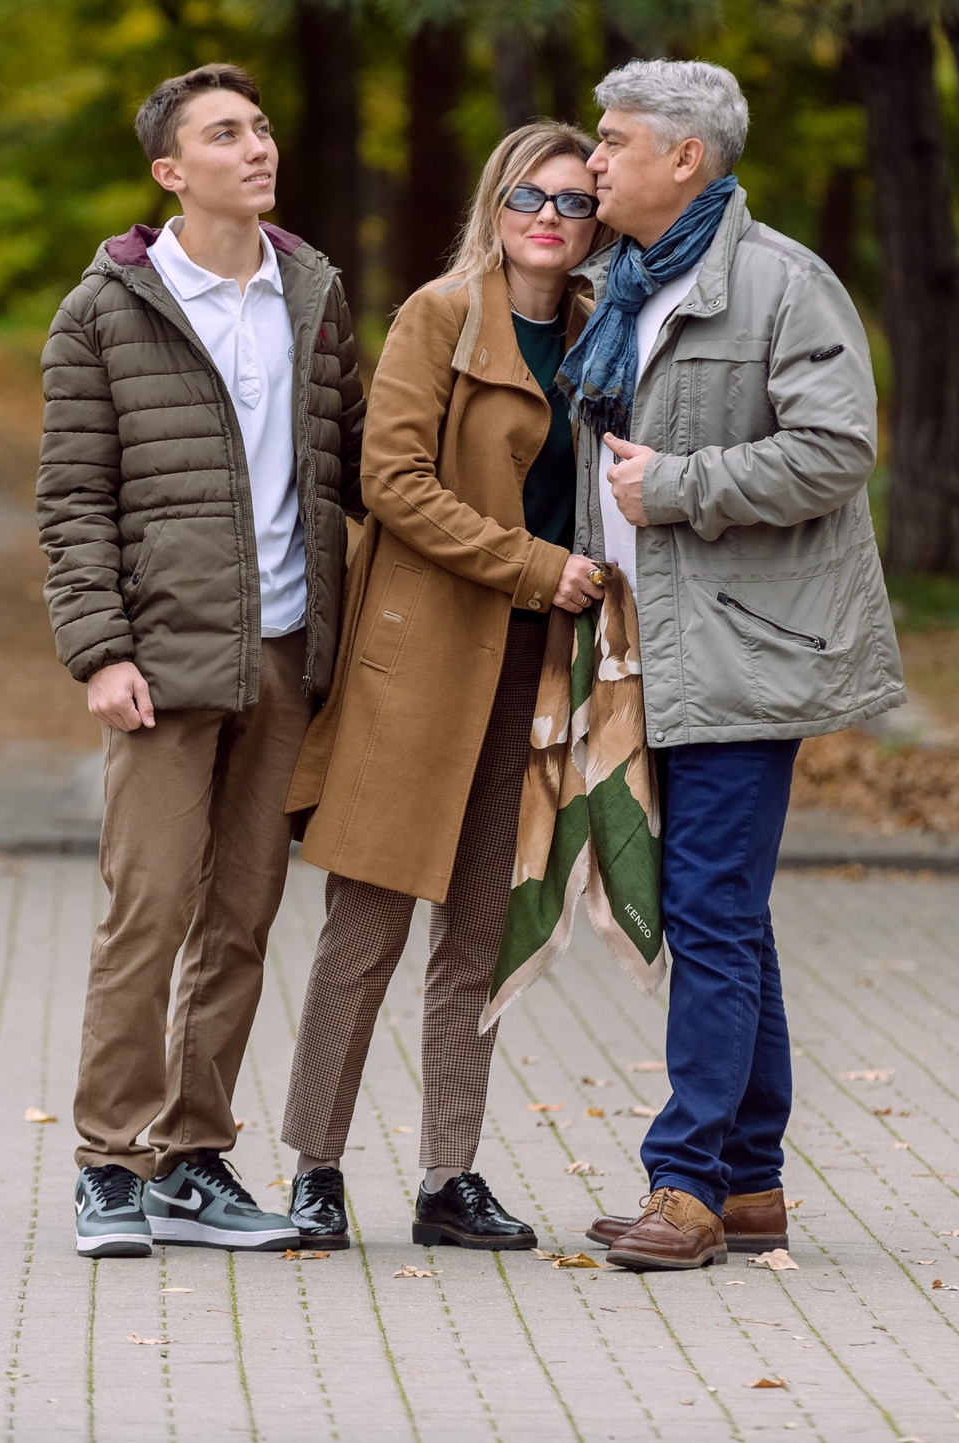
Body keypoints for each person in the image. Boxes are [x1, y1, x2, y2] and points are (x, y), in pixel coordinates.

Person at [561, 60, 906, 1273]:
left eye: (614, 141)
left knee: (706, 910)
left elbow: (834, 449)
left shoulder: (777, 284)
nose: (592, 160)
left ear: (686, 159)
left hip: (744, 647)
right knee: (726, 915)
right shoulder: (621, 286)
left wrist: (679, 489)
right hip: (637, 644)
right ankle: (749, 1183)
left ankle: (684, 1183)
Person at [39, 62, 365, 1258]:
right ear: (170, 171)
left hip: (287, 654)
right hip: (163, 666)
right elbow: (73, 501)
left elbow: (358, 462)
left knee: (240, 916)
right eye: (224, 134)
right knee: (150, 910)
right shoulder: (104, 312)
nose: (256, 145)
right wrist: (99, 650)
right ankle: (107, 1164)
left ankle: (191, 1155)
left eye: (262, 125)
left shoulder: (314, 291)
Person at [279, 122, 615, 1252]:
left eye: (575, 203)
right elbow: (392, 481)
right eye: (533, 196)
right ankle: (313, 1172)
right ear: (497, 199)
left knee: (477, 934)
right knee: (363, 928)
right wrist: (534, 566)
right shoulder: (441, 313)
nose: (551, 220)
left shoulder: (596, 332)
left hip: (535, 669)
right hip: (420, 663)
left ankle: (446, 1180)